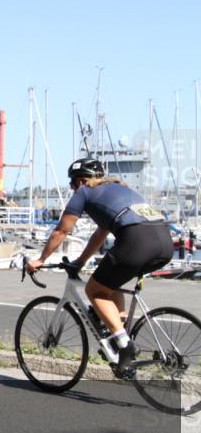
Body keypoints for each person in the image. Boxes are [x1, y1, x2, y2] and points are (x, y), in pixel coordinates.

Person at [26, 158, 173, 377]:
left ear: (81, 181)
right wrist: (80, 263)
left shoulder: (84, 192)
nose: (71, 188)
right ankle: (120, 336)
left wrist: (41, 259)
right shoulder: (119, 189)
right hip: (164, 242)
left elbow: (61, 231)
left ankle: (124, 345)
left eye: (72, 183)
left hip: (137, 240)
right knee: (109, 286)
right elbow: (99, 235)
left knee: (93, 291)